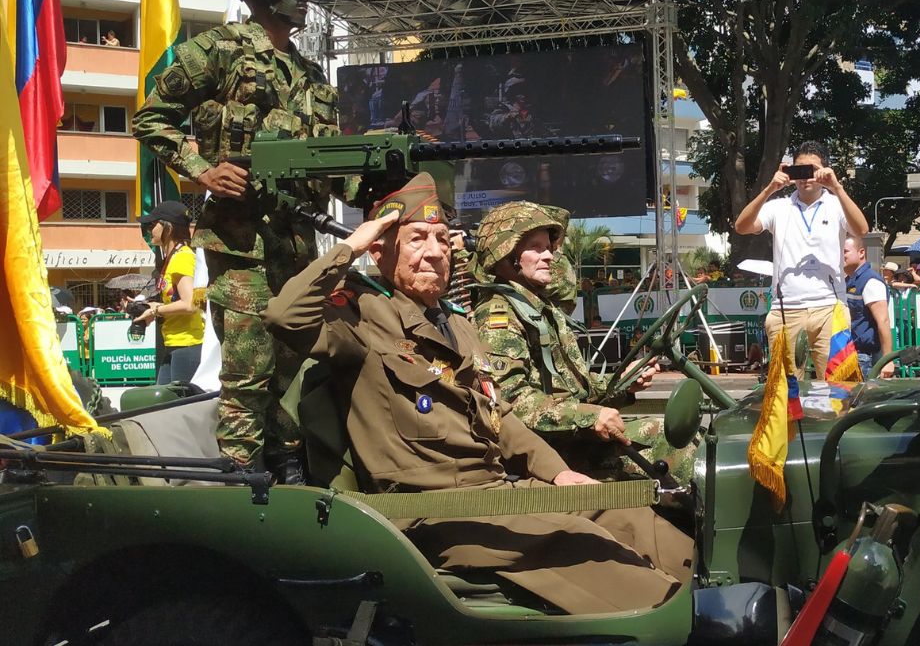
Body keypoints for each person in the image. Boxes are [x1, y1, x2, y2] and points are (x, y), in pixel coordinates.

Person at [263, 175, 692, 615]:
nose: (434, 252)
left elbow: (499, 415)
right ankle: (677, 619)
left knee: (631, 518)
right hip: (435, 512)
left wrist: (560, 475)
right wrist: (355, 242)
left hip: (497, 491)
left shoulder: (457, 323)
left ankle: (708, 599)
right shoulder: (360, 319)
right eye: (415, 239)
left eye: (441, 239)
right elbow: (283, 316)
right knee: (588, 547)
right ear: (380, 251)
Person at [133, 0, 344, 479]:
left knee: (293, 363)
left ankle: (283, 460)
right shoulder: (218, 52)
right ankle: (242, 474)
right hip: (241, 243)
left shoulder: (310, 76)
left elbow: (332, 165)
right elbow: (150, 118)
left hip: (297, 244)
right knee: (248, 368)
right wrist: (203, 170)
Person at [470, 202, 695, 486]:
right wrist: (590, 417)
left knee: (687, 434)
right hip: (553, 454)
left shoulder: (537, 307)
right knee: (675, 445)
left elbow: (572, 390)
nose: (549, 256)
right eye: (536, 248)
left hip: (571, 439)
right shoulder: (497, 314)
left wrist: (623, 384)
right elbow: (510, 403)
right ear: (506, 253)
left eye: (548, 248)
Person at [734, 141, 869, 377]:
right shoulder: (779, 206)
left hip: (829, 307)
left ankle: (837, 415)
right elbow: (742, 227)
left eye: (812, 170)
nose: (806, 177)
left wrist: (837, 187)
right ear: (790, 172)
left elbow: (861, 229)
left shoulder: (836, 204)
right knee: (785, 392)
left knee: (840, 385)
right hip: (786, 309)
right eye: (799, 170)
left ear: (824, 170)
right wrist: (769, 189)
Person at [131, 200, 204, 385]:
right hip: (173, 343)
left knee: (178, 407)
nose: (148, 229)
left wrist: (155, 311)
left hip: (187, 344)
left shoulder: (183, 257)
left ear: (168, 228)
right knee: (163, 402)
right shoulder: (173, 258)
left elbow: (190, 304)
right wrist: (153, 307)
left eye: (152, 224)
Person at [842, 235, 894, 378]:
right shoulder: (849, 281)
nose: (841, 256)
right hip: (850, 355)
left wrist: (887, 360)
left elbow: (883, 321)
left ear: (861, 253)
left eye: (845, 251)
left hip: (864, 358)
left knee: (860, 400)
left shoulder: (870, 281)